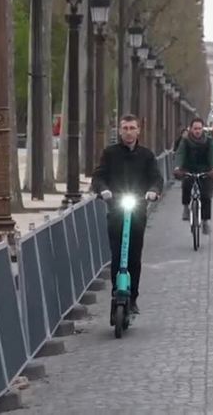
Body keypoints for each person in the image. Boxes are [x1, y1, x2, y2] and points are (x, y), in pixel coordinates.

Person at [91, 114, 163, 315]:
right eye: (125, 128)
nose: (129, 132)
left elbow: (156, 178)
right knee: (117, 254)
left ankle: (133, 297)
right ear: (119, 131)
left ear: (138, 130)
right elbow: (98, 176)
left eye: (132, 128)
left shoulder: (146, 155)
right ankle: (117, 291)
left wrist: (154, 191)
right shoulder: (110, 153)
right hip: (116, 209)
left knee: (133, 256)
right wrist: (103, 190)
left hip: (138, 210)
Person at [174, 117, 213, 234]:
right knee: (186, 185)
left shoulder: (208, 141)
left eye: (199, 128)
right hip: (189, 168)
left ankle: (205, 221)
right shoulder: (185, 140)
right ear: (191, 129)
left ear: (202, 129)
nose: (197, 131)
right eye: (195, 128)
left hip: (205, 170)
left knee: (206, 196)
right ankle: (185, 207)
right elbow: (180, 153)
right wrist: (178, 167)